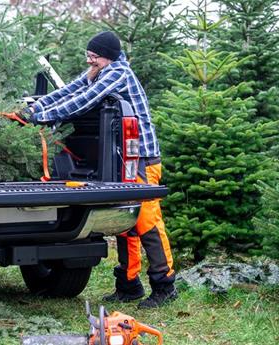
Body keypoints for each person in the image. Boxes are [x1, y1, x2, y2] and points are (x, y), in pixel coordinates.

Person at [23, 31, 177, 309]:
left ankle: (165, 284)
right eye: (88, 55)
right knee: (124, 221)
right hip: (124, 158)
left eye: (94, 56)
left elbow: (84, 100)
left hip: (142, 157)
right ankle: (129, 285)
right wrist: (36, 104)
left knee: (147, 222)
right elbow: (70, 90)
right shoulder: (99, 69)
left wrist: (42, 116)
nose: (89, 60)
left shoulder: (117, 73)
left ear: (107, 56)